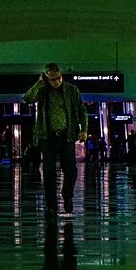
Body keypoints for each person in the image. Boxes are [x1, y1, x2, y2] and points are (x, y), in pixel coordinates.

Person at [24, 63, 87, 213]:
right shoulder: (43, 90)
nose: (56, 82)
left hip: (67, 135)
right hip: (48, 136)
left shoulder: (72, 90)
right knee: (48, 170)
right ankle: (51, 205)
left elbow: (82, 110)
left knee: (71, 169)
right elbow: (27, 98)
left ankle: (67, 195)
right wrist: (39, 84)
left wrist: (83, 130)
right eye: (52, 79)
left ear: (61, 75)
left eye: (58, 78)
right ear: (46, 78)